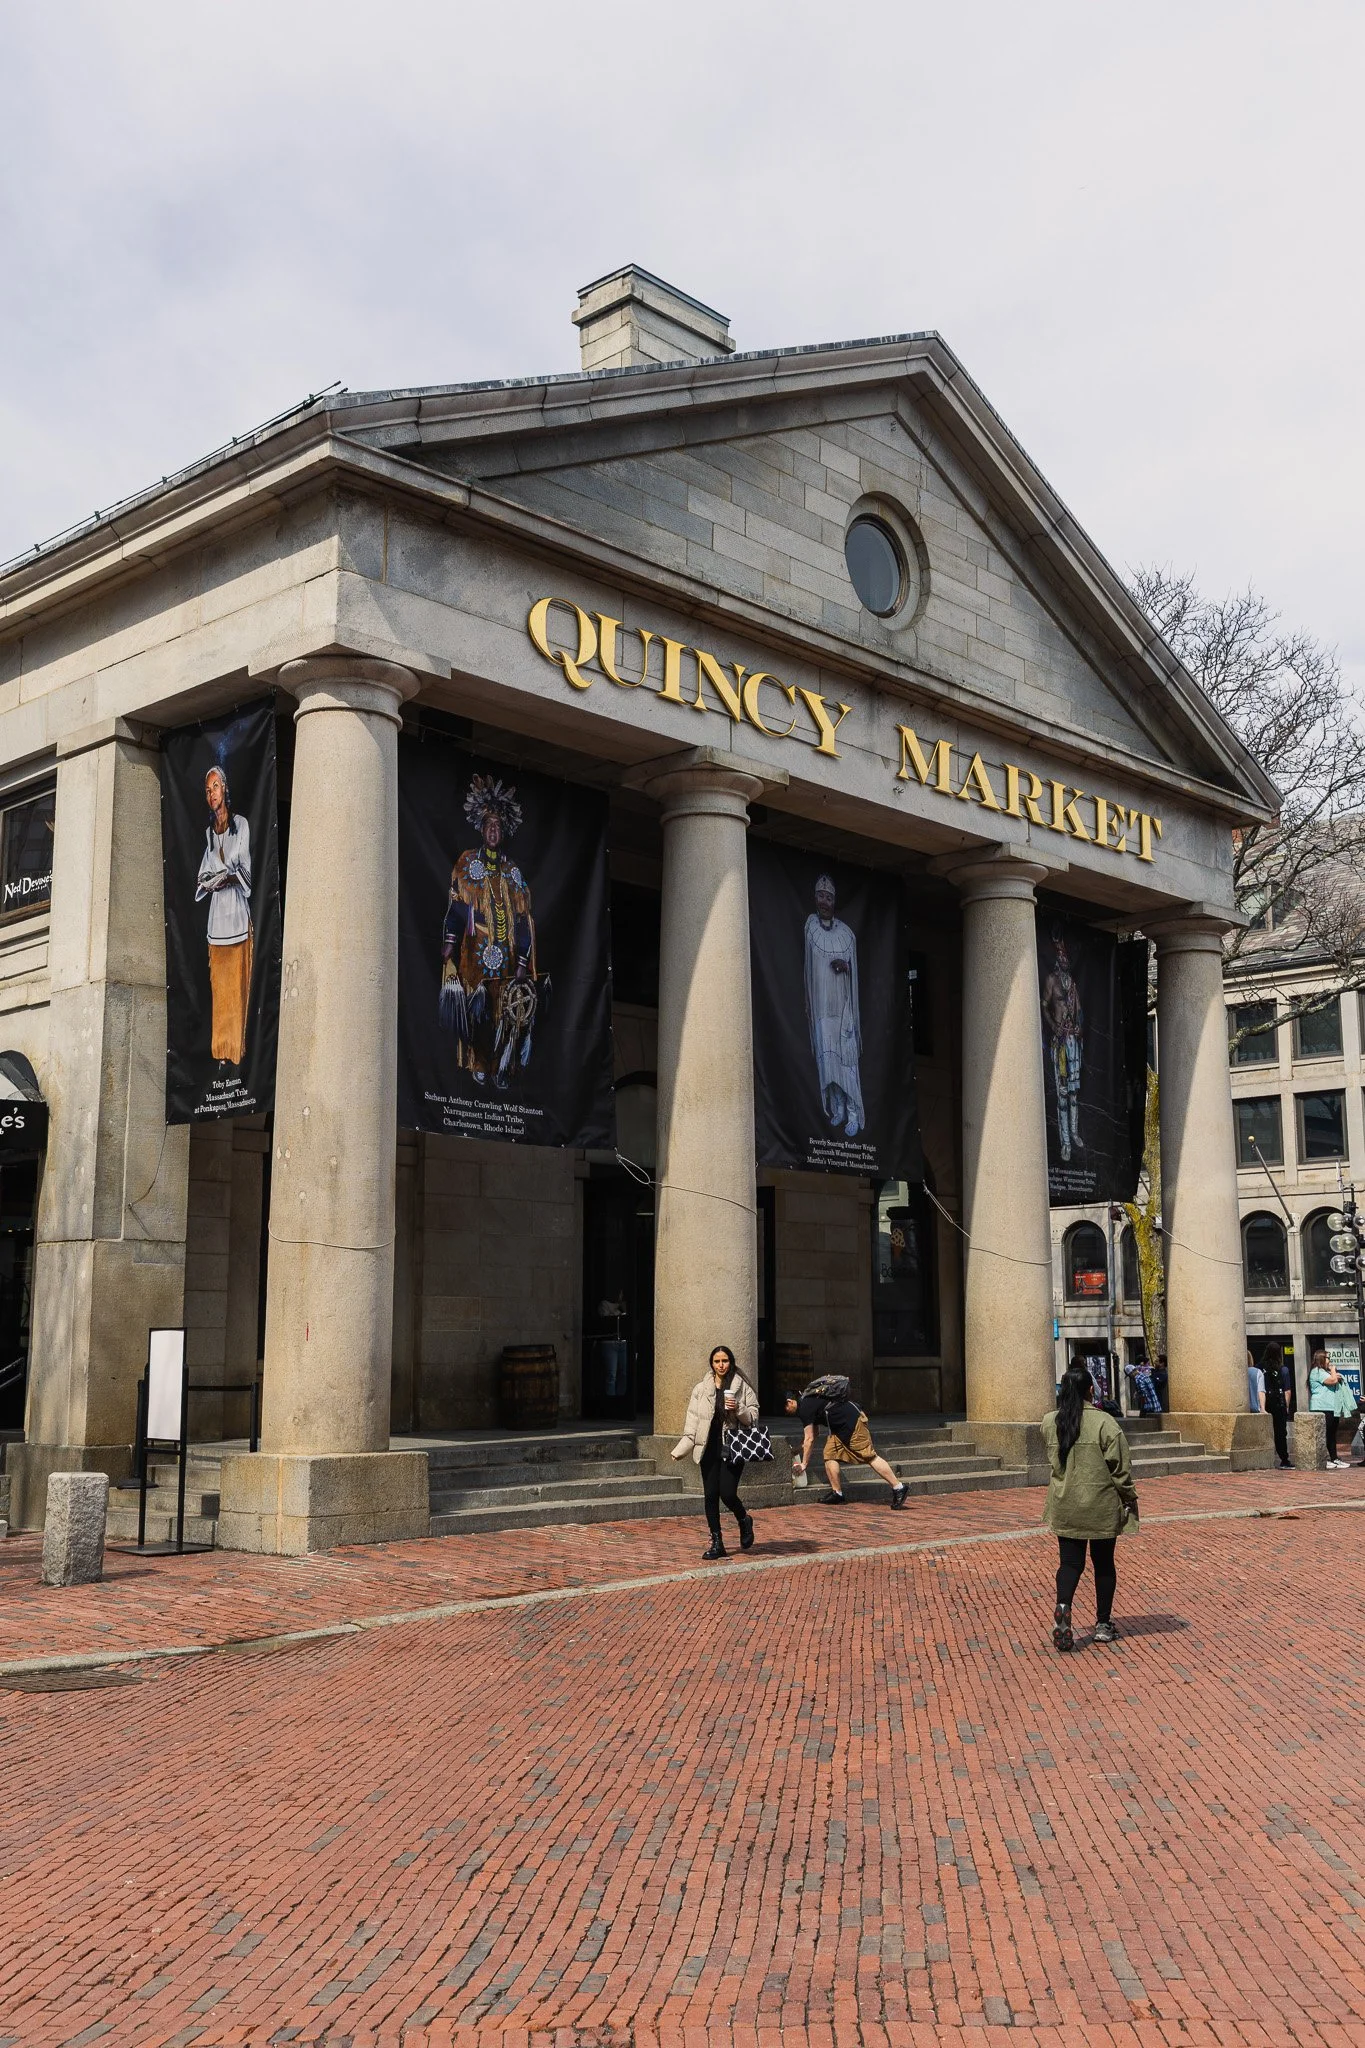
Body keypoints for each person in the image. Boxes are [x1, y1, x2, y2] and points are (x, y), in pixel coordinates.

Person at [441, 773, 538, 1090]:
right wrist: (450, 942)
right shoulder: (468, 864)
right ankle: (479, 1064)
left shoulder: (512, 873)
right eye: (488, 825)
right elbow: (456, 908)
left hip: (508, 961)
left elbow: (523, 921)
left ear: (504, 831)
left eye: (498, 826)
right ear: (481, 829)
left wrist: (523, 960)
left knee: (506, 1014)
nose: (493, 831)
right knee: (479, 1013)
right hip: (475, 958)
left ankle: (501, 1066)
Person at [1042, 1361, 1138, 1650]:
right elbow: (1120, 1469)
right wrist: (1129, 1497)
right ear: (1090, 1391)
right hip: (1100, 1503)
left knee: (1070, 1563)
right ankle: (1103, 1624)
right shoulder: (1105, 1423)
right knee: (1103, 1563)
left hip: (1065, 1502)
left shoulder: (1050, 1422)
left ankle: (1063, 1606)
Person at [671, 1344, 760, 1560]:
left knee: (727, 1493)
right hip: (708, 1448)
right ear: (711, 1364)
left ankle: (743, 1519)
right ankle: (717, 1542)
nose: (721, 1365)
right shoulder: (701, 1389)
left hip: (733, 1448)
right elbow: (692, 1422)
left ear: (731, 1362)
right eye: (717, 1361)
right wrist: (680, 1449)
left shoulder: (742, 1386)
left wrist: (737, 1408)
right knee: (710, 1495)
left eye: (725, 1361)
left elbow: (754, 1419)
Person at [195, 765, 253, 1066]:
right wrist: (211, 880)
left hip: (237, 918)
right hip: (216, 921)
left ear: (225, 789)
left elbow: (245, 870)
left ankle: (237, 1047)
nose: (211, 793)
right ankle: (220, 1050)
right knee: (220, 990)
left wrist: (227, 877)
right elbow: (203, 875)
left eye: (215, 786)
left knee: (237, 988)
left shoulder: (240, 825)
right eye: (207, 789)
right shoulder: (208, 834)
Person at [785, 1374, 909, 1508]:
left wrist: (804, 1464)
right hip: (838, 1428)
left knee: (869, 1456)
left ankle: (898, 1487)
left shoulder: (805, 1407)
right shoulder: (808, 1401)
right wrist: (796, 1450)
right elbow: (814, 1434)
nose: (786, 1412)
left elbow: (809, 1438)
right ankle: (837, 1493)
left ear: (790, 1401)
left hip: (852, 1422)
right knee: (830, 1454)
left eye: (785, 1408)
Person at [803, 874, 863, 1138]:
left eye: (829, 897)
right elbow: (808, 969)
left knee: (846, 1062)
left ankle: (852, 1111)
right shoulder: (810, 928)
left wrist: (846, 967)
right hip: (821, 1008)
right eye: (820, 896)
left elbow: (855, 972)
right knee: (828, 1063)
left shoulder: (846, 934)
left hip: (842, 1010)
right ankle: (837, 1107)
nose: (824, 901)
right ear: (815, 898)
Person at [1040, 927, 1084, 1163]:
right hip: (1059, 1042)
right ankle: (1065, 1142)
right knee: (1063, 1093)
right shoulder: (1052, 981)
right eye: (1062, 956)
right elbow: (1044, 1005)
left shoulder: (1073, 985)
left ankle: (1075, 1133)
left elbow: (1080, 1013)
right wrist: (1053, 1026)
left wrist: (1080, 1027)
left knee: (1074, 1093)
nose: (1065, 959)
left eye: (1067, 956)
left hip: (1073, 1042)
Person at [1309, 1349, 1354, 1469]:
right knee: (1324, 1434)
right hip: (1321, 1406)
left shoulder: (1324, 1372)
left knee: (1332, 1433)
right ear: (1321, 1359)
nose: (1329, 1361)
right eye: (1328, 1358)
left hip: (1332, 1407)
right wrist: (1334, 1371)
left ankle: (1334, 1458)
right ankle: (1324, 1459)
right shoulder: (1317, 1371)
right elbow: (1333, 1380)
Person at [1261, 1346, 1291, 1469]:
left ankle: (1265, 1458)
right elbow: (1287, 1391)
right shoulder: (1283, 1370)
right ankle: (1284, 1459)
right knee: (1280, 1433)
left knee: (1264, 1432)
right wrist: (1287, 1406)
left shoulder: (1260, 1368)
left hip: (1265, 1403)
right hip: (1278, 1404)